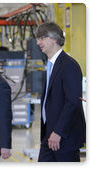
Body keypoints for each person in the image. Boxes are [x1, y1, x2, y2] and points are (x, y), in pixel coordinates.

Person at [35, 22, 86, 162]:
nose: (38, 42)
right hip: (49, 135)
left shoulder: (69, 65)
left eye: (42, 38)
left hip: (64, 137)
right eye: (38, 38)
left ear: (55, 39)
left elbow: (73, 103)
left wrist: (58, 132)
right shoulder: (51, 65)